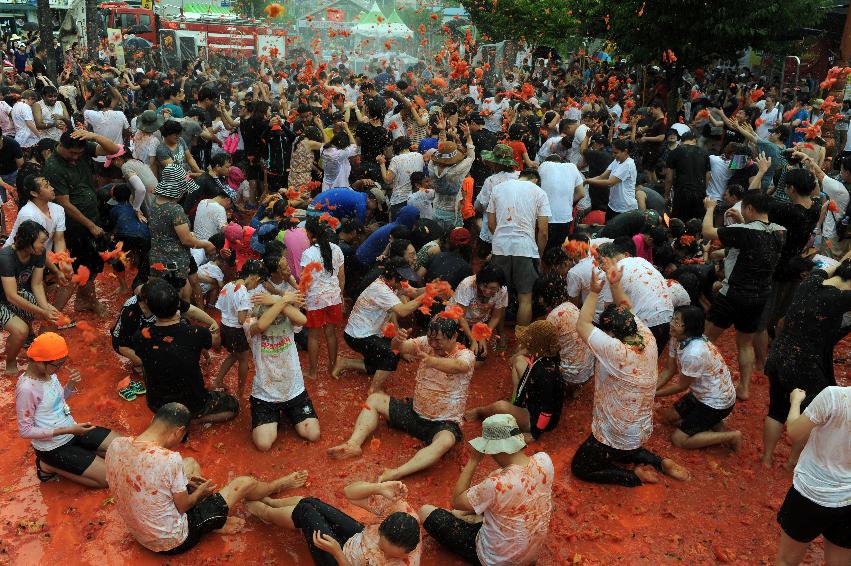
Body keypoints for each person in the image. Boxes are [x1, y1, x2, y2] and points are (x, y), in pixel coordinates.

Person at [106, 402, 308, 554]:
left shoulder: (117, 445)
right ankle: (276, 486)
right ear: (178, 432)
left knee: (191, 464)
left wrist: (185, 486)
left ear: (154, 421)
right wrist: (200, 492)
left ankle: (212, 518)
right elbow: (184, 506)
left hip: (140, 531)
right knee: (244, 483)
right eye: (182, 436)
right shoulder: (168, 459)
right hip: (171, 540)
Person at [572, 259, 689, 486]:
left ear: (611, 334)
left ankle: (633, 477)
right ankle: (658, 461)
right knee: (625, 449)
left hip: (616, 432)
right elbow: (626, 308)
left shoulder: (616, 351)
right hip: (639, 428)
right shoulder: (646, 336)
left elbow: (582, 324)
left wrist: (595, 291)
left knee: (581, 466)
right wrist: (615, 285)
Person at [329, 316, 476, 482]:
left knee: (445, 442)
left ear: (454, 337)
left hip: (442, 424)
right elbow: (398, 348)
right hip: (414, 413)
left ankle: (397, 473)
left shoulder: (466, 355)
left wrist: (432, 360)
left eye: (439, 341)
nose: (433, 344)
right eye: (431, 338)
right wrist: (397, 340)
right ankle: (353, 444)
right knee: (374, 399)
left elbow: (459, 367)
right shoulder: (426, 342)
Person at [419, 414, 554, 566]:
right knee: (494, 489)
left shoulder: (496, 485)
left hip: (494, 560)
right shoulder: (545, 460)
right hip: (529, 557)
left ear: (495, 449)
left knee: (425, 512)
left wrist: (473, 460)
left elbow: (456, 501)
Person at [761, 253, 851, 469]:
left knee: (776, 409)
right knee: (816, 414)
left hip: (778, 353)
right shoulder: (840, 299)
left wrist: (844, 259)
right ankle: (793, 461)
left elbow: (829, 268)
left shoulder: (810, 282)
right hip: (804, 363)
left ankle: (766, 459)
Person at [702, 192, 785, 400]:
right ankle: (744, 388)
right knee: (745, 344)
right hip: (760, 295)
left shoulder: (743, 231)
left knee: (706, 339)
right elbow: (756, 242)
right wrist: (742, 222)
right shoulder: (780, 231)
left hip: (734, 293)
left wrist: (710, 208)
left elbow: (707, 232)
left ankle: (700, 377)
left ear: (748, 208)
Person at [15, 332, 118, 487]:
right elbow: (25, 431)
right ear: (39, 362)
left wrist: (71, 384)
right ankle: (47, 465)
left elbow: (57, 400)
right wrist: (68, 430)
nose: (60, 368)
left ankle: (81, 455)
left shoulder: (48, 373)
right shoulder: (27, 389)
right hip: (53, 446)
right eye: (58, 364)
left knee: (122, 448)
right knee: (108, 479)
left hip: (73, 431)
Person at [245, 480, 422, 566]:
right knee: (311, 502)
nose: (381, 551)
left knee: (307, 512)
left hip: (341, 562)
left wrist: (337, 552)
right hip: (357, 539)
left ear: (408, 552)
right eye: (382, 546)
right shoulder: (398, 509)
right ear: (382, 525)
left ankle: (265, 512)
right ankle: (274, 504)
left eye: (391, 555)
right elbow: (349, 492)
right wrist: (379, 488)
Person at [132, 278, 238, 423]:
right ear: (178, 304)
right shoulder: (196, 333)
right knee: (233, 406)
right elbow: (216, 342)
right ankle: (192, 419)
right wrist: (215, 327)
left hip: (157, 404)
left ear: (150, 307)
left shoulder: (140, 336)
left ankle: (171, 418)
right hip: (192, 403)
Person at [43, 129, 120, 316]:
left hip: (90, 216)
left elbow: (113, 149)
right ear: (61, 146)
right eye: (72, 153)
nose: (76, 157)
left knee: (91, 263)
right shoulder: (54, 167)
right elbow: (64, 203)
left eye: (79, 153)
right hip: (75, 224)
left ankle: (82, 300)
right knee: (81, 267)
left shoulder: (83, 149)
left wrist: (93, 136)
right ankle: (66, 311)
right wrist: (91, 225)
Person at [774, 386, 850, 566]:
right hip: (848, 499)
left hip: (811, 493)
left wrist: (795, 402)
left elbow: (794, 433)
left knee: (786, 560)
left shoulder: (834, 396)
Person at [333, 258, 427, 392]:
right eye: (402, 280)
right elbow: (403, 310)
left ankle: (345, 362)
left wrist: (432, 288)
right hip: (358, 336)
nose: (404, 283)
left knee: (376, 366)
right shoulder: (380, 288)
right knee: (392, 354)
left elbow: (416, 292)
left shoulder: (393, 284)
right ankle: (373, 390)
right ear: (393, 278)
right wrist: (426, 296)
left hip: (372, 332)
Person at [655, 305, 741, 450]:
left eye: (677, 322)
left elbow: (682, 386)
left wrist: (654, 394)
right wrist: (651, 389)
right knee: (668, 418)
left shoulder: (694, 353)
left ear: (688, 327)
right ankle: (712, 424)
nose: (671, 324)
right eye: (673, 319)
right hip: (702, 394)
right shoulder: (677, 338)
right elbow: (669, 369)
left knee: (678, 440)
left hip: (716, 402)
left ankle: (732, 436)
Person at [465, 320, 565, 441]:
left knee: (500, 406)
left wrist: (535, 433)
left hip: (536, 417)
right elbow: (520, 366)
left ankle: (480, 412)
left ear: (536, 346)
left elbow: (547, 410)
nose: (524, 344)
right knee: (518, 361)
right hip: (533, 399)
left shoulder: (545, 374)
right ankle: (516, 403)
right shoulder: (543, 356)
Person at [246, 286, 320, 450]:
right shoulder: (250, 323)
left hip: (294, 390)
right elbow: (262, 325)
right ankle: (277, 416)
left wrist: (276, 301)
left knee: (313, 434)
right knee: (263, 444)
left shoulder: (289, 321)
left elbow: (303, 320)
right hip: (265, 395)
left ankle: (287, 413)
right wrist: (284, 300)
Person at [487, 168, 551, 326]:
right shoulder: (539, 192)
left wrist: (501, 238)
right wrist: (539, 255)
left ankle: (500, 338)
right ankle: (520, 344)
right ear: (535, 179)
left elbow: (490, 224)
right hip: (525, 248)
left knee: (500, 296)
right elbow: (543, 232)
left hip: (500, 247)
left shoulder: (498, 188)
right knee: (525, 298)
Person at [1, 220, 61, 374]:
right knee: (21, 331)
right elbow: (11, 296)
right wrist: (42, 311)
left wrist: (45, 309)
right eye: (41, 242)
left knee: (52, 315)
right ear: (27, 241)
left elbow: (37, 284)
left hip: (15, 293)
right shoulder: (6, 257)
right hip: (6, 297)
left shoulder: (38, 253)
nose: (43, 246)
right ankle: (10, 361)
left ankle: (38, 352)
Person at [149, 164, 216, 299]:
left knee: (160, 295)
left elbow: (165, 230)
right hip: (174, 262)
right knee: (174, 297)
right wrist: (206, 244)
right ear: (178, 189)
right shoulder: (175, 209)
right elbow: (186, 240)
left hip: (156, 258)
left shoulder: (154, 202)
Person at [213, 260, 268, 397]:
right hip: (236, 331)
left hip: (225, 326)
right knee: (243, 359)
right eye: (258, 283)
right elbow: (242, 320)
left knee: (233, 355)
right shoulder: (243, 293)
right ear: (254, 277)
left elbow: (221, 307)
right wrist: (258, 318)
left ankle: (218, 381)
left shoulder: (228, 285)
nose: (256, 286)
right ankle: (240, 391)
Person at [534, 272, 594, 394]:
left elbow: (541, 348)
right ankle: (576, 388)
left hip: (568, 376)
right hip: (586, 372)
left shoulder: (553, 317)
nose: (539, 300)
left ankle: (562, 388)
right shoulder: (572, 306)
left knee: (526, 359)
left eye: (540, 296)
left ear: (545, 296)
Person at [301, 216, 345, 380]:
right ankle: (332, 366)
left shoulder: (308, 253)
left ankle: (312, 372)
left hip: (315, 299)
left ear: (309, 233)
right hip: (333, 297)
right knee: (331, 333)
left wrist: (302, 299)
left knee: (314, 335)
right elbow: (341, 277)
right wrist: (341, 295)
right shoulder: (336, 249)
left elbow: (304, 280)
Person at [449, 263, 508, 360]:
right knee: (452, 354)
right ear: (478, 281)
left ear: (500, 286)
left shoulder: (502, 290)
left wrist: (483, 336)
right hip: (456, 319)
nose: (487, 291)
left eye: (493, 288)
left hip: (478, 322)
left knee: (478, 358)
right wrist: (472, 340)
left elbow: (496, 317)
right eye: (484, 286)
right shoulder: (467, 285)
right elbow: (460, 316)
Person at [538, 155, 585, 250]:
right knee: (559, 250)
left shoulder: (543, 166)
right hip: (565, 217)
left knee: (545, 250)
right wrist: (568, 203)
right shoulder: (572, 167)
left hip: (546, 218)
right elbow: (581, 193)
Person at [585, 139, 638, 221]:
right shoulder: (616, 161)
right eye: (613, 152)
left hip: (624, 207)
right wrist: (587, 180)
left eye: (616, 153)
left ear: (625, 151)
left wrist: (588, 181)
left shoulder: (628, 165)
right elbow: (602, 176)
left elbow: (610, 183)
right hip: (613, 204)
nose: (613, 155)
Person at [664, 131, 710, 222]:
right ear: (694, 140)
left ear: (682, 141)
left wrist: (666, 196)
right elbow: (708, 176)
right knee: (696, 223)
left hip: (682, 192)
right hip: (699, 192)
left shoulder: (675, 152)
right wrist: (703, 190)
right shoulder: (704, 153)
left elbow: (669, 177)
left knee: (679, 222)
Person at [379, 136, 424, 219]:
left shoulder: (396, 160)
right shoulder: (419, 156)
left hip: (400, 200)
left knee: (398, 228)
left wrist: (382, 164)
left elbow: (387, 180)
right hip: (418, 198)